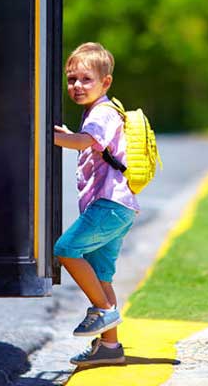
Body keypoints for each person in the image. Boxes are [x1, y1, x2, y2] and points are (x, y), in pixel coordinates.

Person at [53, 42, 139, 366]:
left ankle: (103, 312)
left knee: (65, 248)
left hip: (109, 206)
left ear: (106, 82)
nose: (77, 86)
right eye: (71, 79)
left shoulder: (102, 112)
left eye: (86, 79)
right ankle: (110, 348)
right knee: (102, 276)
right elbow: (85, 143)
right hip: (118, 208)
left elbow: (82, 142)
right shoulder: (98, 112)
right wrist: (68, 134)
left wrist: (43, 134)